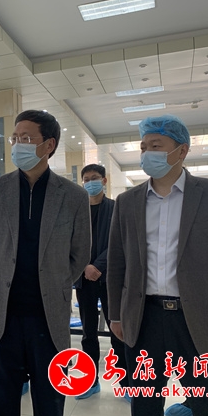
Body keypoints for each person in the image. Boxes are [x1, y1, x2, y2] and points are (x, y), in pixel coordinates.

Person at [107, 114, 208, 416]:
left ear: (182, 150)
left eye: (156, 146)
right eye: (143, 147)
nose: (147, 153)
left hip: (199, 321)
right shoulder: (128, 202)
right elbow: (117, 263)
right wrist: (116, 314)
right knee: (144, 410)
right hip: (144, 319)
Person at [0, 110, 91, 416]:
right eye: (15, 138)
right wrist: (3, 274)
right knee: (1, 404)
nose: (17, 145)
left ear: (49, 145)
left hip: (48, 316)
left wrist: (54, 280)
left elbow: (80, 253)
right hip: (2, 313)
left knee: (50, 401)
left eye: (26, 138)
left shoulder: (73, 195)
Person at [73, 164, 129, 400]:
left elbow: (119, 242)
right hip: (84, 280)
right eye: (86, 179)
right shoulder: (77, 211)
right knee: (88, 334)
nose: (90, 183)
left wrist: (97, 266)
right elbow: (72, 242)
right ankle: (90, 381)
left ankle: (126, 383)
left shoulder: (116, 209)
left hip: (110, 280)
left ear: (104, 181)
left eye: (94, 178)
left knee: (118, 331)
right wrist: (85, 266)